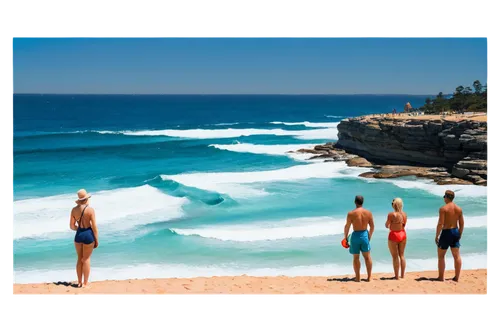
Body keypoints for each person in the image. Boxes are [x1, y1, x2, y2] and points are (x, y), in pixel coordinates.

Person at [69, 189, 99, 288]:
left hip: (78, 235)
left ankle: (79, 282)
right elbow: (94, 227)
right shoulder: (90, 210)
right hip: (88, 234)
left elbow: (72, 226)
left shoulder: (74, 210)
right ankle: (85, 284)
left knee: (79, 259)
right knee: (86, 259)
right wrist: (96, 240)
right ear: (86, 199)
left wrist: (79, 230)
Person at [343, 195, 375, 282]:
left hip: (355, 236)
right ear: (362, 202)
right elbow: (372, 227)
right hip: (365, 235)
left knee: (356, 258)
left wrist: (345, 237)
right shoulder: (368, 213)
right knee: (367, 257)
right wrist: (369, 236)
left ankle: (358, 278)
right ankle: (369, 277)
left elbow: (347, 227)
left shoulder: (351, 213)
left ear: (355, 202)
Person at [435, 190, 464, 282]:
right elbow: (462, 224)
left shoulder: (443, 209)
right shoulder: (458, 209)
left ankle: (441, 277)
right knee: (457, 256)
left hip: (446, 232)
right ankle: (457, 277)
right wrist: (460, 233)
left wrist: (437, 235)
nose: (444, 198)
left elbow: (440, 223)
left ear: (447, 197)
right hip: (455, 231)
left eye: (444, 196)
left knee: (441, 256)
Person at [385, 198, 407, 280]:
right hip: (402, 234)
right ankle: (402, 275)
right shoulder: (404, 214)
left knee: (395, 257)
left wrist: (390, 225)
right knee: (402, 255)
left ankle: (397, 276)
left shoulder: (391, 214)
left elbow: (387, 225)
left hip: (394, 235)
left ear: (393, 205)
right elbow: (404, 225)